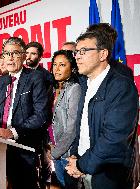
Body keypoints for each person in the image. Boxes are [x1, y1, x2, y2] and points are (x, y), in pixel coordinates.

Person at [65, 31, 139, 189]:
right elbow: (81, 127)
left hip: (106, 177)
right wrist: (74, 155)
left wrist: (81, 165)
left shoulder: (121, 86)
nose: (77, 56)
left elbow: (113, 139)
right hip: (80, 168)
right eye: (76, 52)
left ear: (103, 54)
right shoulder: (84, 84)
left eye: (83, 51)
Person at [0, 37, 48, 189]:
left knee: (26, 185)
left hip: (25, 146)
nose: (10, 57)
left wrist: (12, 132)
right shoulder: (3, 80)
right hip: (2, 145)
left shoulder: (36, 77)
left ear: (23, 55)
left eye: (14, 53)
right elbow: (0, 111)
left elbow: (40, 115)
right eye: (6, 53)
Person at [50, 50, 81, 188]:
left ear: (73, 68)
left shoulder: (74, 89)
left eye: (62, 65)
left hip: (66, 155)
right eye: (54, 64)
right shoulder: (56, 89)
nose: (56, 69)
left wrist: (55, 153)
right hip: (55, 150)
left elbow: (71, 129)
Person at [25, 41, 54, 189]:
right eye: (27, 53)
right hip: (23, 126)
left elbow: (47, 104)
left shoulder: (47, 77)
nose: (29, 56)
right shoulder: (20, 73)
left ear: (40, 57)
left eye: (33, 53)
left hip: (42, 126)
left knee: (44, 159)